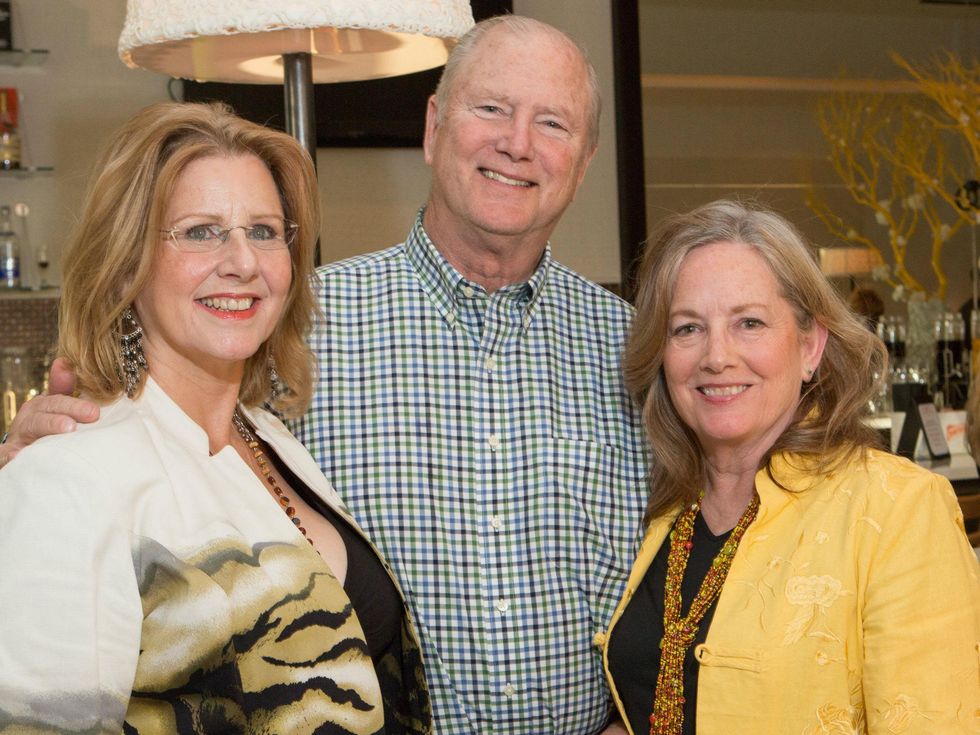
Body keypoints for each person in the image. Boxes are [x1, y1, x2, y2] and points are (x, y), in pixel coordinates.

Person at [0, 16, 648, 735]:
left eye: (552, 122)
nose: (517, 142)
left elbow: (700, 562)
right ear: (434, 127)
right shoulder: (297, 331)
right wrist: (47, 450)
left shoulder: (639, 349)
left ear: (585, 161)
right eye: (491, 107)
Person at [0, 102, 429, 734]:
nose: (243, 262)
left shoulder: (271, 437)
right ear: (127, 261)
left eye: (263, 230)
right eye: (201, 231)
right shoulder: (69, 475)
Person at [600, 199, 980, 734]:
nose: (716, 356)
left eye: (749, 322)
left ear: (810, 344)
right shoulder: (656, 506)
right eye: (687, 329)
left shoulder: (899, 510)